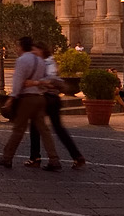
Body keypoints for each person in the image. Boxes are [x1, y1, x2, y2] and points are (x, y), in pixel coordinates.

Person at [0, 36, 60, 171]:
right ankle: (54, 159)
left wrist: (12, 98)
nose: (16, 49)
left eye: (18, 46)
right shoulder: (40, 60)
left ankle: (7, 158)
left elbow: (18, 82)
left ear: (22, 46)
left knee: (18, 129)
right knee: (44, 131)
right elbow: (44, 79)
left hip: (27, 99)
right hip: (39, 98)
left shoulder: (22, 60)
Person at [26, 42, 87, 170]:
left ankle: (38, 158)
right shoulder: (47, 61)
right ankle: (76, 156)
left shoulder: (47, 62)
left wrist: (35, 82)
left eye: (35, 50)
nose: (33, 53)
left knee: (42, 127)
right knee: (54, 128)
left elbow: (51, 78)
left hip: (48, 99)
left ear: (41, 50)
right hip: (51, 98)